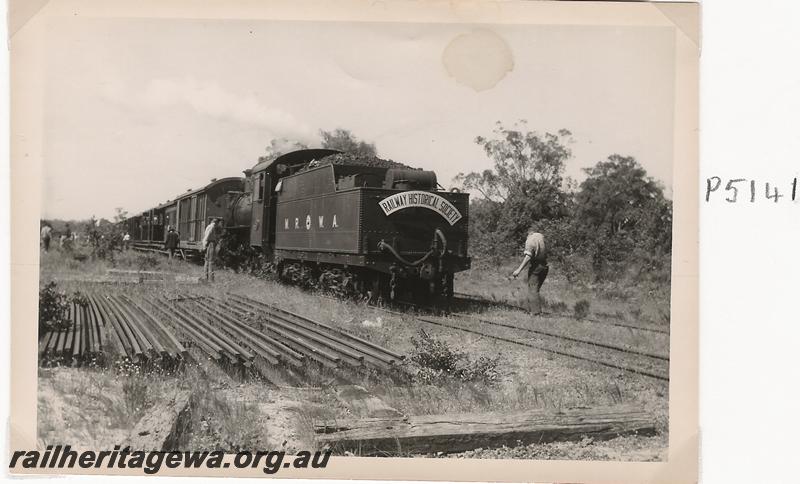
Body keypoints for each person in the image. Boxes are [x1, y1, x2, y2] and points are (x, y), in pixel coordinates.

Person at [510, 226, 549, 316]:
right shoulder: (541, 237)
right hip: (545, 266)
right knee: (534, 289)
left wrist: (518, 270)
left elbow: (528, 257)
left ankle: (536, 313)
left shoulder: (530, 240)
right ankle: (529, 309)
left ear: (528, 233)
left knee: (533, 290)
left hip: (536, 267)